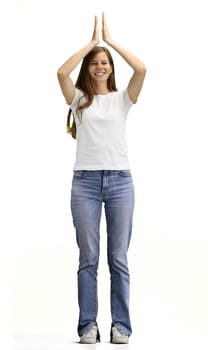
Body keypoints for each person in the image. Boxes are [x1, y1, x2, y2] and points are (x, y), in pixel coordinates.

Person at [57, 12, 146, 344]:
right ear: (89, 67)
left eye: (104, 62)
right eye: (95, 62)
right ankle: (87, 326)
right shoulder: (79, 100)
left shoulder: (123, 99)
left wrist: (111, 42)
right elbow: (61, 72)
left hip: (121, 182)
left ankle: (120, 326)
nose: (99, 66)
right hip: (85, 184)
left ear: (111, 67)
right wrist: (91, 43)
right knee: (88, 258)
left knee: (118, 257)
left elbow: (141, 70)